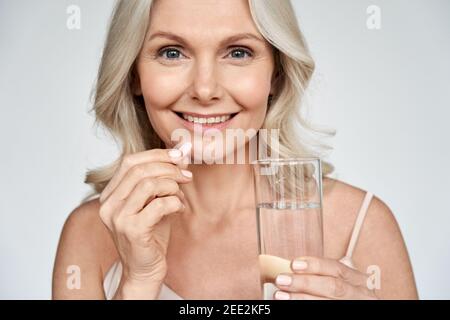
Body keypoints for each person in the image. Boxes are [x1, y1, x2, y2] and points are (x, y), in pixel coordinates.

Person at [52, 0, 418, 300]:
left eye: (239, 52)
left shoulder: (361, 223)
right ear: (133, 74)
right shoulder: (90, 234)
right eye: (172, 52)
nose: (205, 89)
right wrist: (138, 283)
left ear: (277, 74)